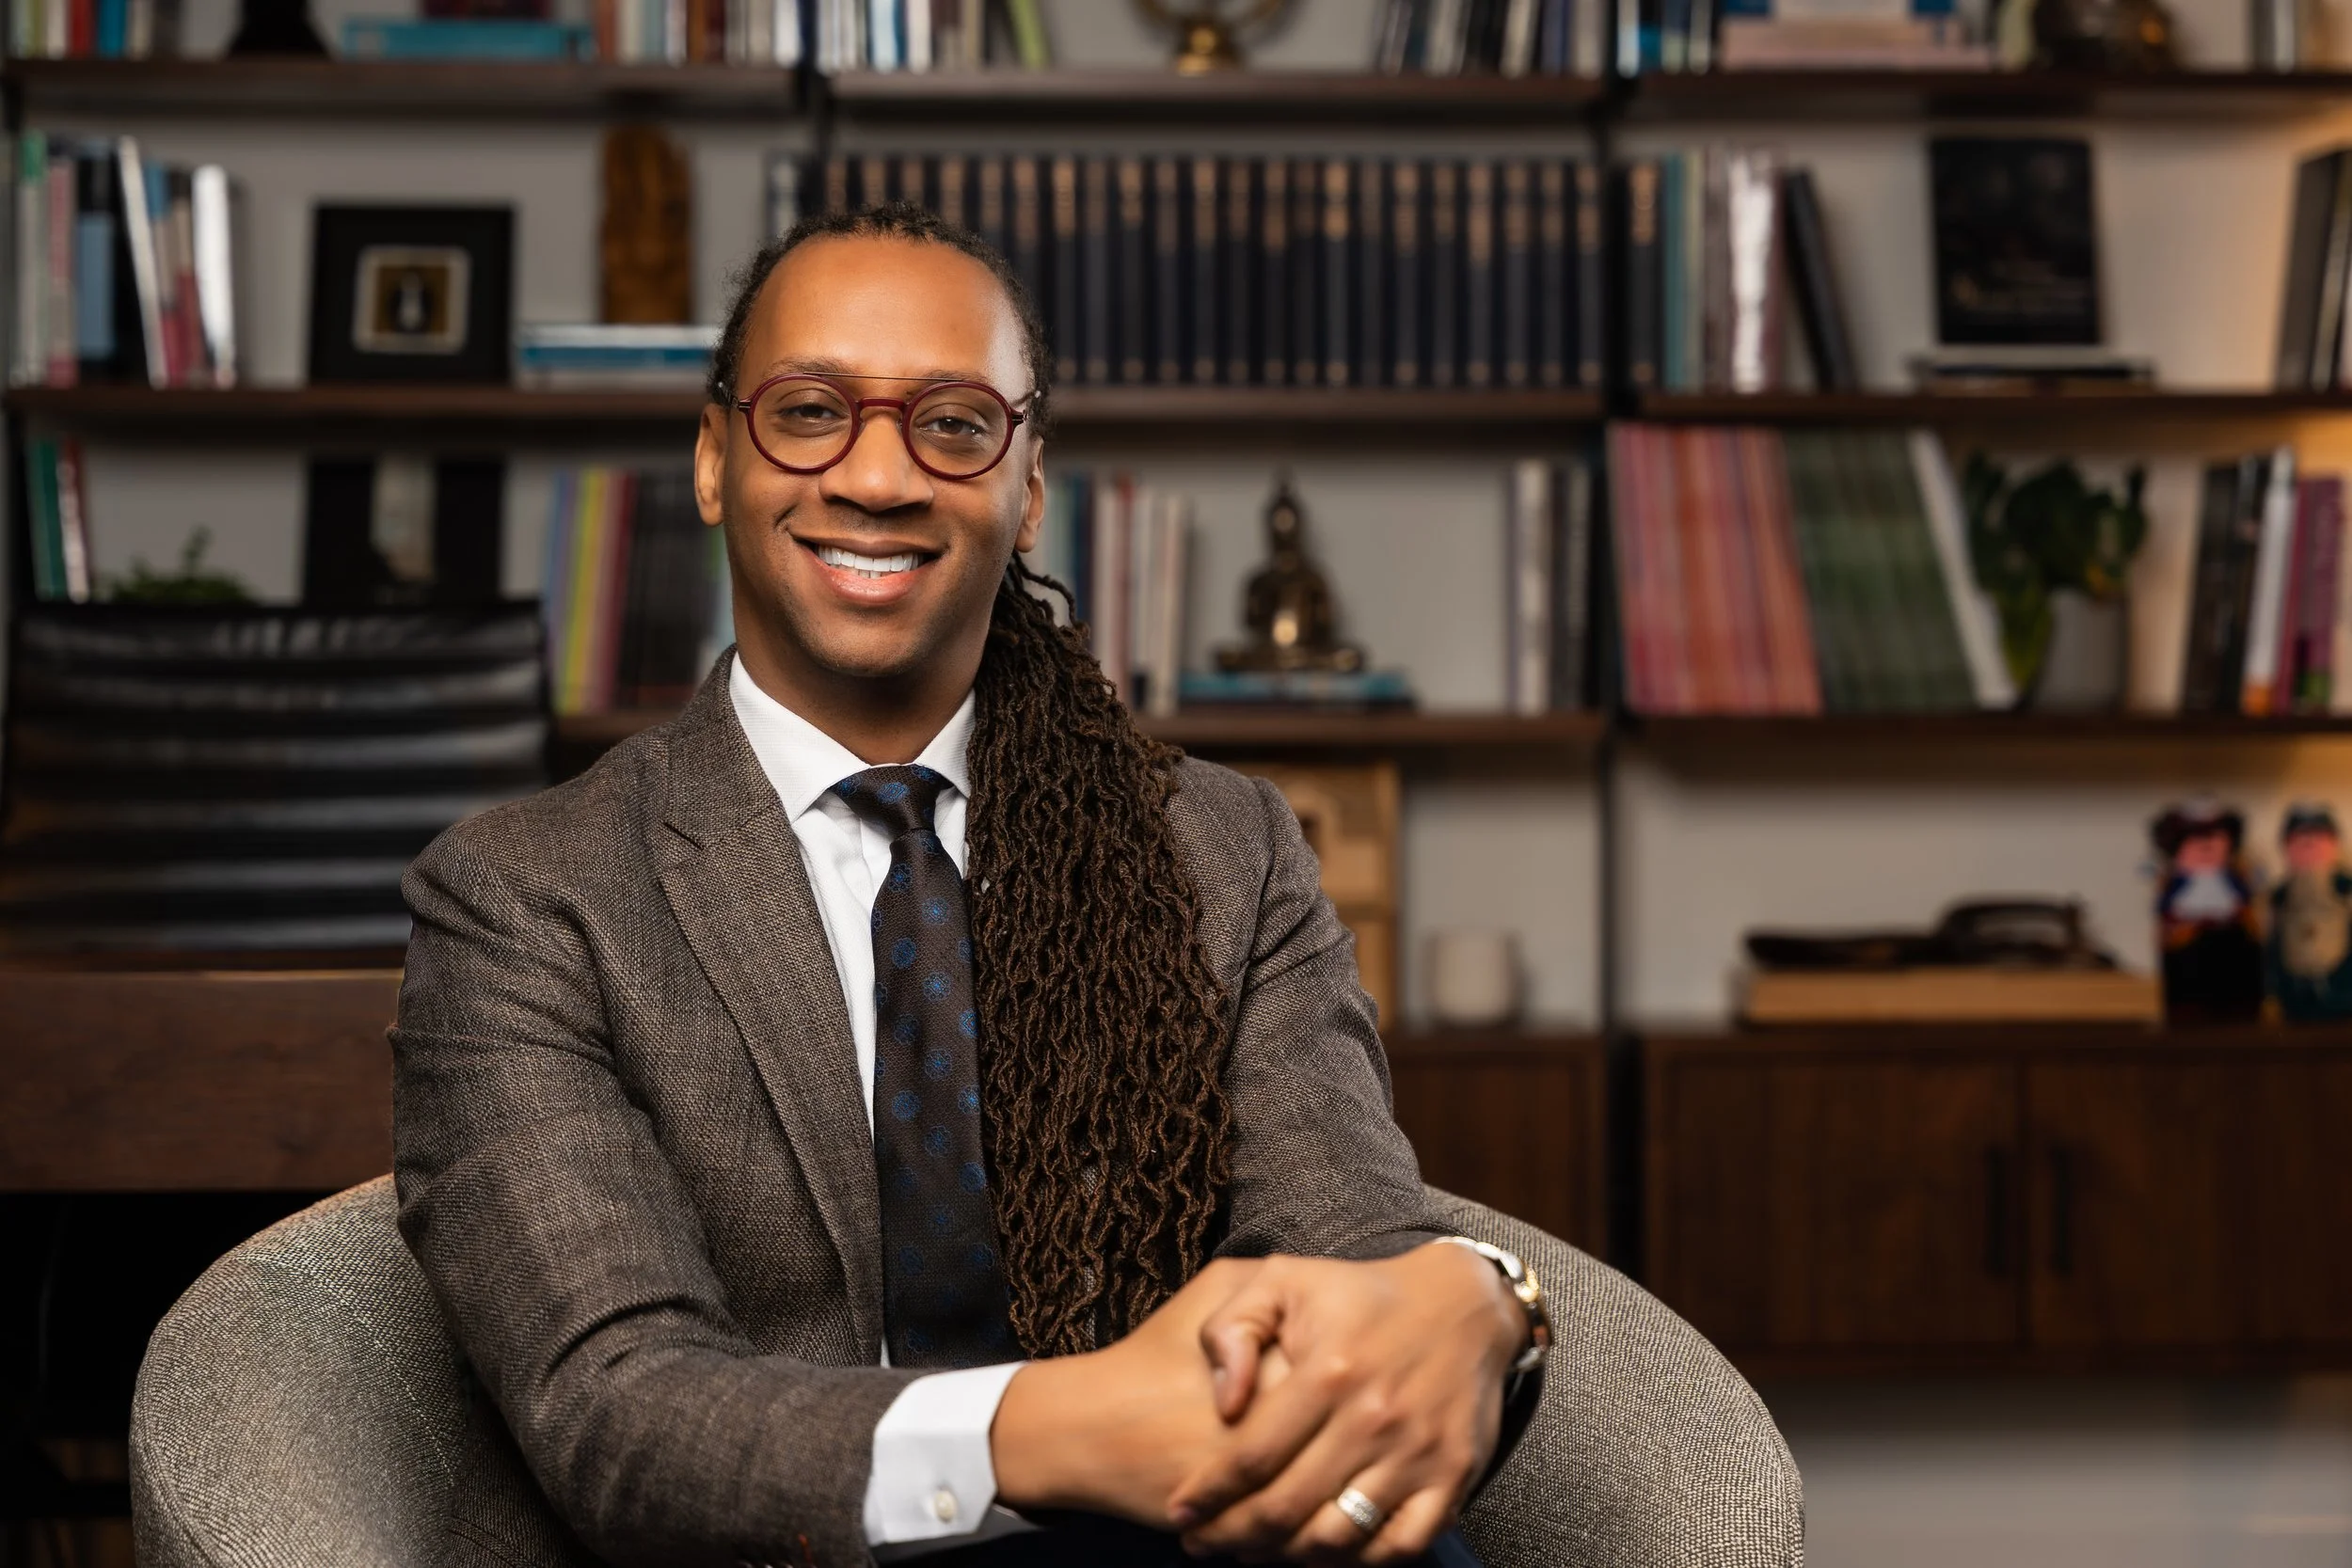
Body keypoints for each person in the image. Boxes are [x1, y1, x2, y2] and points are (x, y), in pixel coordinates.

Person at [389, 204, 1547, 1568]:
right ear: (713, 459)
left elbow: (1355, 1253)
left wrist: (1477, 1295)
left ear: (1029, 483)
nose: (879, 476)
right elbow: (616, 1411)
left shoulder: (1224, 850)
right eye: (809, 412)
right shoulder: (526, 897)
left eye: (953, 423)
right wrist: (1061, 1432)